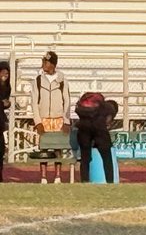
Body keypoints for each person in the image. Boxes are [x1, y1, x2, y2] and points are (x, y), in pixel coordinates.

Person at [31, 50, 70, 183]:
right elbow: (34, 102)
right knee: (44, 148)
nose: (43, 64)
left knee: (58, 147)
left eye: (46, 62)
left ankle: (58, 176)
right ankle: (43, 176)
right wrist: (37, 122)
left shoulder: (62, 80)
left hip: (58, 118)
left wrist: (66, 121)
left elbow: (67, 101)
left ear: (53, 64)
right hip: (44, 119)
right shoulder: (37, 80)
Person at [75, 92, 119, 183]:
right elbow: (107, 121)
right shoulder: (108, 108)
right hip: (99, 130)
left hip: (83, 129)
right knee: (107, 157)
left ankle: (85, 180)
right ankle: (110, 181)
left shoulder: (85, 108)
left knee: (85, 158)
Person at [0, 60, 11, 182]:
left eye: (6, 73)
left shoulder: (7, 87)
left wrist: (7, 104)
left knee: (1, 150)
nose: (4, 75)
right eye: (2, 72)